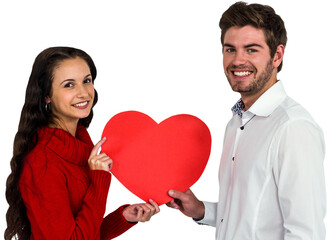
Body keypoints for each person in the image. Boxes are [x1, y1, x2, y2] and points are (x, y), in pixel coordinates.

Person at [167, 2, 326, 239]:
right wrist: (201, 210)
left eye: (251, 50)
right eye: (230, 49)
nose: (238, 61)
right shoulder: (236, 123)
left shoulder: (293, 128)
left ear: (277, 56)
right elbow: (253, 216)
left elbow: (306, 232)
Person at [5, 46, 160, 240]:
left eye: (86, 81)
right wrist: (98, 181)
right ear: (46, 95)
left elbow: (87, 233)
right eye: (69, 85)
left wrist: (123, 217)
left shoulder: (81, 144)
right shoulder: (43, 162)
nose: (84, 93)